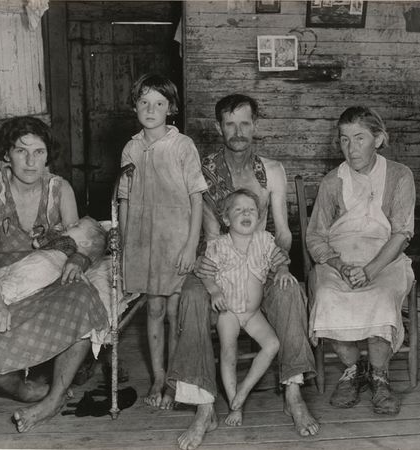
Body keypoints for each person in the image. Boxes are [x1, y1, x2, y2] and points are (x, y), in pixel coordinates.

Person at [167, 94, 319, 450]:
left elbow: (282, 231)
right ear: (219, 127)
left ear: (255, 126)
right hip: (216, 260)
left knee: (290, 290)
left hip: (261, 260)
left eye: (245, 123)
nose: (238, 132)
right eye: (230, 124)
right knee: (190, 296)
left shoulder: (272, 171)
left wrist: (279, 264)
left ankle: (293, 393)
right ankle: (204, 406)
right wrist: (208, 268)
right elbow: (207, 233)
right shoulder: (203, 170)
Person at [0, 116, 108, 433]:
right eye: (21, 151)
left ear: (48, 155)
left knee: (83, 297)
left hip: (49, 276)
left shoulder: (61, 189)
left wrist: (78, 260)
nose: (31, 161)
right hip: (7, 283)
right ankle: (36, 391)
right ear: (7, 153)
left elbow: (80, 242)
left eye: (39, 151)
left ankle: (51, 401)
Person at [306, 106, 416, 416]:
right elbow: (315, 237)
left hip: (386, 258)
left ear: (378, 139)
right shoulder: (332, 182)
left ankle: (379, 375)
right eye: (344, 140)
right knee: (328, 294)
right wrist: (340, 266)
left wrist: (369, 271)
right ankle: (352, 371)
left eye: (360, 138)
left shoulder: (399, 175)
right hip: (339, 259)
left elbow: (402, 233)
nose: (351, 148)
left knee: (381, 294)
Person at [118, 74, 207, 410]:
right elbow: (124, 200)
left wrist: (190, 246)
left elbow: (197, 198)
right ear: (135, 107)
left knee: (174, 310)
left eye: (158, 103)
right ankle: (157, 375)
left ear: (171, 108)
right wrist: (127, 245)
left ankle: (174, 377)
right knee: (153, 308)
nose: (150, 109)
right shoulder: (131, 147)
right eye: (144, 102)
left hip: (175, 242)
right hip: (144, 243)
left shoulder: (183, 146)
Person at [0, 216, 106, 368]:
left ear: (85, 243)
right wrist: (42, 234)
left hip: (29, 276)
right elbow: (37, 244)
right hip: (19, 268)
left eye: (77, 226)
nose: (72, 223)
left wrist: (53, 236)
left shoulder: (71, 250)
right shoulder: (64, 242)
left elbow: (74, 261)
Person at [203, 188, 299, 427]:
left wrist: (283, 270)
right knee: (228, 352)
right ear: (226, 219)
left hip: (253, 313)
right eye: (239, 210)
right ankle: (236, 407)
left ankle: (243, 390)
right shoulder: (219, 245)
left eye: (251, 210)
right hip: (229, 313)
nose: (246, 213)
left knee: (273, 344)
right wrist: (214, 290)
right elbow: (205, 273)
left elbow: (280, 259)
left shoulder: (264, 240)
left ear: (258, 217)